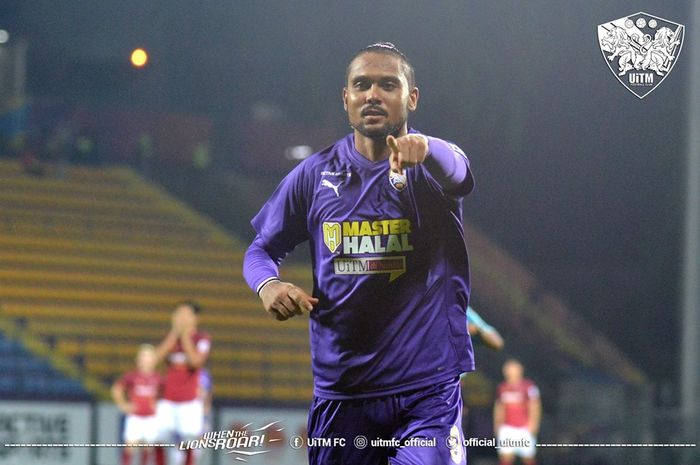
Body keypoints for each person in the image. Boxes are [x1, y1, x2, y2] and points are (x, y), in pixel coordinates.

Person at [243, 42, 475, 465]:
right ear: (346, 97)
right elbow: (261, 249)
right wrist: (268, 284)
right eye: (362, 85)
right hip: (343, 393)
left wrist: (427, 148)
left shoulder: (433, 168)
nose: (373, 94)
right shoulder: (314, 176)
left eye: (388, 84)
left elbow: (459, 172)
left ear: (412, 97)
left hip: (427, 391)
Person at [154, 301, 211, 465]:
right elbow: (154, 360)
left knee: (189, 440)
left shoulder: (202, 339)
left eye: (185, 314)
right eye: (178, 314)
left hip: (190, 400)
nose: (181, 318)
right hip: (168, 399)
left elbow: (196, 362)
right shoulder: (172, 339)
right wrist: (174, 335)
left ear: (195, 318)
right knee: (158, 438)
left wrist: (185, 336)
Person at [111, 344, 163, 465]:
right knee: (130, 445)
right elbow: (116, 389)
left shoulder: (158, 378)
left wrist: (158, 405)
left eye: (148, 357)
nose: (145, 360)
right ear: (138, 360)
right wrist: (123, 405)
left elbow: (165, 394)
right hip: (135, 417)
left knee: (148, 447)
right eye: (143, 357)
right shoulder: (132, 376)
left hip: (151, 418)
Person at [493, 359, 541, 465]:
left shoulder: (529, 386)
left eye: (513, 369)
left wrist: (533, 424)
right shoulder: (502, 387)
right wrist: (497, 425)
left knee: (528, 459)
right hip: (507, 428)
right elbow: (499, 407)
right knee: (505, 459)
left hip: (524, 428)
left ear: (520, 370)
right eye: (508, 369)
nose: (510, 372)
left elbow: (535, 406)